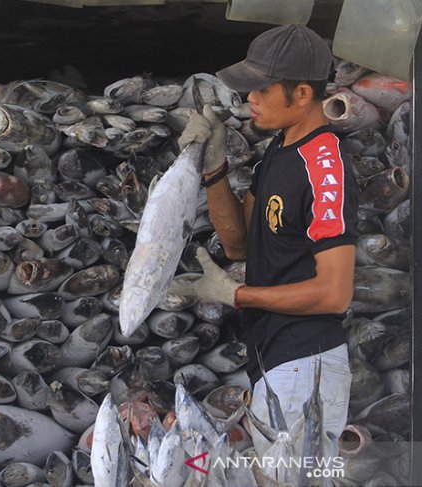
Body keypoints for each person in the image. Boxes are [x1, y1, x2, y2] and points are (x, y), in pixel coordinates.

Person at [180, 24, 358, 460]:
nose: (249, 100)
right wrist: (215, 165)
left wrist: (236, 294)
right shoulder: (277, 153)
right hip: (276, 360)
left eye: (261, 89)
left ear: (301, 94)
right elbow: (240, 244)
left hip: (307, 362)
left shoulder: (324, 166)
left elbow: (335, 295)